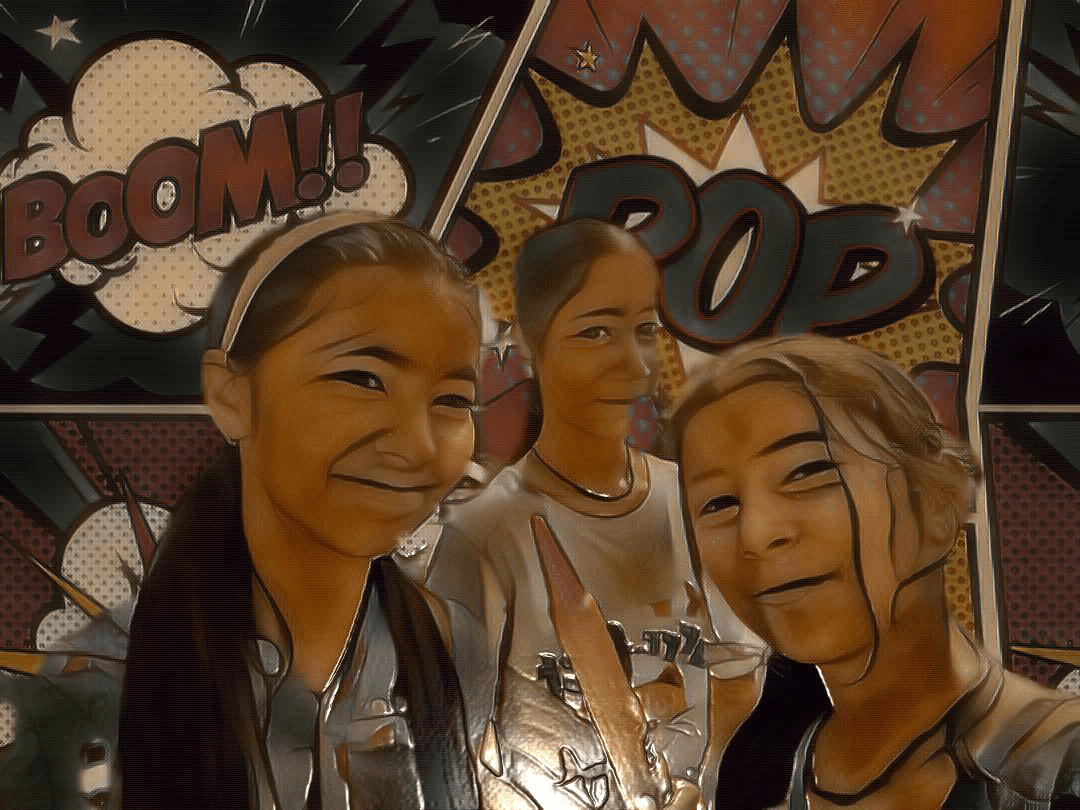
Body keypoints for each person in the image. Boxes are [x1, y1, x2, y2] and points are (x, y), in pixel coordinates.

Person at [0, 213, 495, 810]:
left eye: (452, 400)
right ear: (230, 393)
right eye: (363, 379)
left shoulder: (457, 649)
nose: (418, 445)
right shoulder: (92, 687)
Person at [423, 219, 759, 810]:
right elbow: (456, 739)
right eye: (596, 332)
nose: (635, 364)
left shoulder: (696, 503)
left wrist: (709, 783)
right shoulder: (485, 534)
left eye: (645, 330)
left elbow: (740, 684)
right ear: (531, 345)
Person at [671, 334, 1080, 809]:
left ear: (939, 500)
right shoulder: (753, 777)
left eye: (807, 471)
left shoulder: (1059, 768)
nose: (757, 533)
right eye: (719, 503)